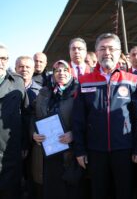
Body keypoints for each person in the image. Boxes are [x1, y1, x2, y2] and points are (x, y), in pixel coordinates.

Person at [72, 33, 137, 199]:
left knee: (124, 192)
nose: (107, 52)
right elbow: (78, 119)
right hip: (95, 151)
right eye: (102, 48)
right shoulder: (84, 81)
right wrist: (79, 150)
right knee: (99, 192)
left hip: (124, 150)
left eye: (111, 48)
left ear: (119, 52)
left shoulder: (132, 79)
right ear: (96, 52)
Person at [31, 60, 79, 199]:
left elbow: (86, 118)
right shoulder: (44, 92)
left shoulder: (78, 91)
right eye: (57, 70)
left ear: (70, 72)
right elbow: (33, 116)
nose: (61, 73)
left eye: (65, 70)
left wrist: (73, 134)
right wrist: (33, 133)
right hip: (47, 151)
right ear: (53, 74)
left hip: (69, 152)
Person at [0, 45, 29, 199]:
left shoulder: (17, 82)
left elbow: (25, 113)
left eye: (3, 58)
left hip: (11, 151)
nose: (0, 62)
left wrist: (24, 143)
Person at [15, 56, 41, 198]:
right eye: (21, 66)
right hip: (12, 142)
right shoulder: (7, 89)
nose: (24, 70)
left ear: (33, 70)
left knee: (32, 178)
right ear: (15, 68)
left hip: (34, 143)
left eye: (27, 67)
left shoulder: (41, 91)